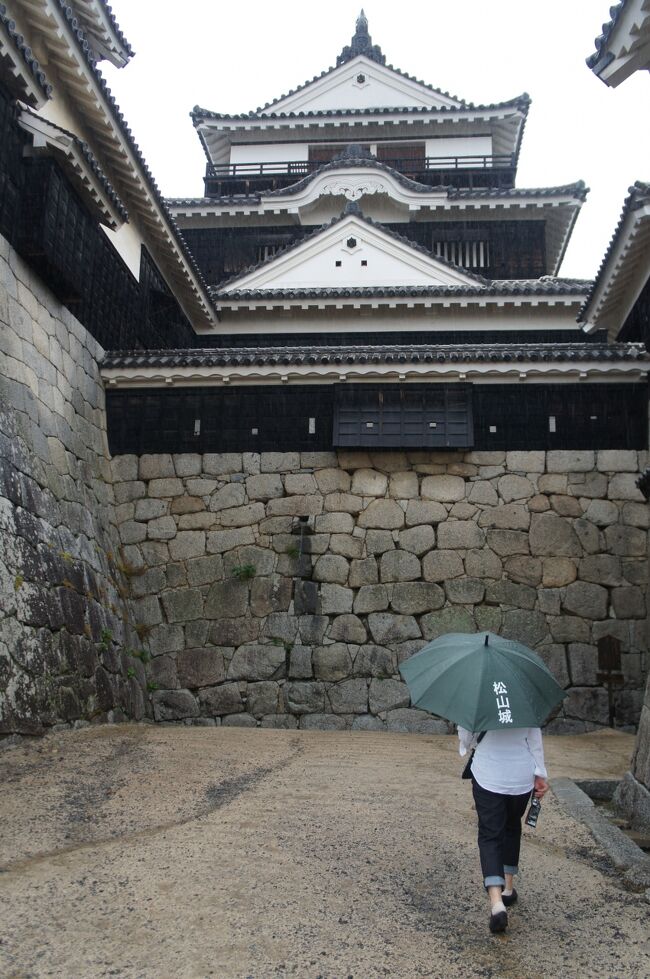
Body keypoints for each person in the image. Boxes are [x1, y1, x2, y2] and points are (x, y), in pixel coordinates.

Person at [458, 725, 549, 934]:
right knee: (511, 825)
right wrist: (540, 773)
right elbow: (534, 738)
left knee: (490, 834)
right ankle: (508, 888)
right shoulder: (524, 695)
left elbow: (466, 733)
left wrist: (468, 745)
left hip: (488, 774)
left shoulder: (477, 694)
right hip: (521, 778)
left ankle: (497, 903)